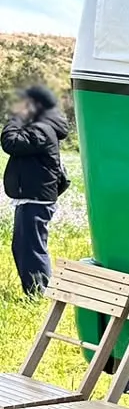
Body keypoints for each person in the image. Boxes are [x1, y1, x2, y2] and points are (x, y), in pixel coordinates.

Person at [2, 84, 70, 296]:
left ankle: (39, 292)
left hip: (35, 197)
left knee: (30, 248)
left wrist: (15, 119)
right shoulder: (44, 125)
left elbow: (10, 142)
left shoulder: (41, 129)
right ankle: (37, 290)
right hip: (34, 196)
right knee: (25, 246)